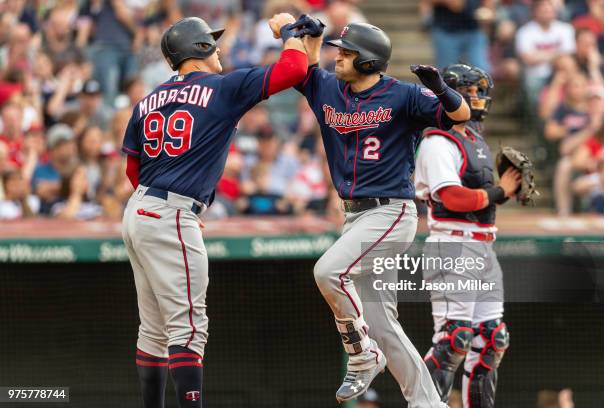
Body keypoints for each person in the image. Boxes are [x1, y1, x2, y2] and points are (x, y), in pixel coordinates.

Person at [120, 15, 308, 408]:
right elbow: (295, 67)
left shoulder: (148, 100)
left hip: (139, 211)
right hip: (170, 214)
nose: (219, 48)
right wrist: (290, 31)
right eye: (212, 42)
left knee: (154, 331)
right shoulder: (221, 87)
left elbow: (132, 170)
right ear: (199, 48)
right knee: (188, 330)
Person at [293, 16, 470, 405]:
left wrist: (441, 89)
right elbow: (300, 68)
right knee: (382, 325)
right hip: (355, 217)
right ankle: (428, 402)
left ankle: (361, 354)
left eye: (346, 52)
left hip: (390, 213)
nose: (337, 56)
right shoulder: (328, 88)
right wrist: (308, 34)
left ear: (369, 61)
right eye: (337, 49)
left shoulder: (403, 95)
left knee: (328, 271)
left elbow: (461, 116)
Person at [414, 63, 519, 407]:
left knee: (492, 339)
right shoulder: (437, 139)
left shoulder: (475, 138)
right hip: (452, 244)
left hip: (482, 246)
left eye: (478, 90)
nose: (477, 97)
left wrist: (505, 190)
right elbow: (451, 197)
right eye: (469, 90)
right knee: (454, 340)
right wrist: (500, 191)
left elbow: (480, 202)